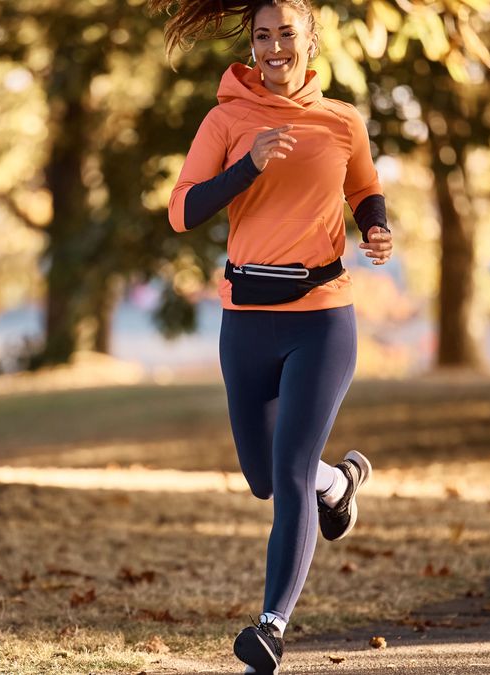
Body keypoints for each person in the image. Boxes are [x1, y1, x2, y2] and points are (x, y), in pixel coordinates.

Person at [151, 0, 394, 672]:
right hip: (247, 320)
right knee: (264, 476)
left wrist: (375, 225)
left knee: (286, 474)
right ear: (252, 46)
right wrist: (246, 167)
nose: (274, 48)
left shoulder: (342, 120)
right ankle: (337, 485)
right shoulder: (226, 119)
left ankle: (270, 626)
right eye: (263, 37)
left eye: (287, 34)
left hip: (322, 318)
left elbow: (365, 187)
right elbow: (181, 209)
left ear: (309, 41)